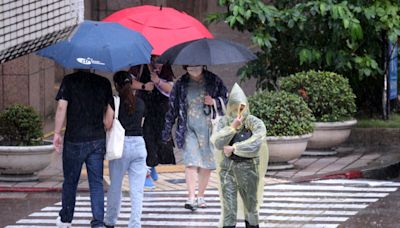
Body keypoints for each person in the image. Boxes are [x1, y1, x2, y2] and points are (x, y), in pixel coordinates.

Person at [162, 65, 228, 211]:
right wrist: (166, 131)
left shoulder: (213, 80)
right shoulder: (181, 83)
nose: (193, 68)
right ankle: (191, 197)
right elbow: (172, 108)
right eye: (190, 66)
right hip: (188, 128)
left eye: (196, 65)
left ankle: (201, 195)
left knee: (206, 162)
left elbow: (226, 98)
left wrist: (214, 101)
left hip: (208, 128)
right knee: (191, 161)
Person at [53, 69, 113, 228]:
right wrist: (105, 127)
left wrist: (57, 133)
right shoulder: (103, 83)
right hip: (97, 139)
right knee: (96, 183)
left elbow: (61, 107)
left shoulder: (69, 81)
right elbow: (109, 114)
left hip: (74, 139)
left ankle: (66, 219)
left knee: (71, 181)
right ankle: (98, 222)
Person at [210, 83, 268, 228]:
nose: (237, 111)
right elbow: (217, 142)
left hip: (248, 169)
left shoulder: (254, 122)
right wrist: (232, 127)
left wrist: (235, 148)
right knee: (229, 208)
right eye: (234, 107)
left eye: (240, 107)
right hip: (227, 171)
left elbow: (256, 142)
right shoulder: (224, 121)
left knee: (250, 207)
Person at [103, 71, 147, 228]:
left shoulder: (114, 101)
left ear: (116, 85)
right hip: (139, 146)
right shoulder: (140, 103)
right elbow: (140, 125)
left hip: (120, 147)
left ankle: (110, 221)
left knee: (115, 186)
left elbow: (108, 124)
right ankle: (135, 224)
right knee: (137, 190)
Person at [129, 57, 176, 189]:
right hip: (144, 108)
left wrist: (158, 81)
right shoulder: (140, 65)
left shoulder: (166, 66)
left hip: (161, 109)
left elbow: (171, 89)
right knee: (146, 138)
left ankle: (153, 165)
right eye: (156, 58)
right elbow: (127, 82)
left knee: (160, 139)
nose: (159, 63)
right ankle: (146, 173)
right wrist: (143, 86)